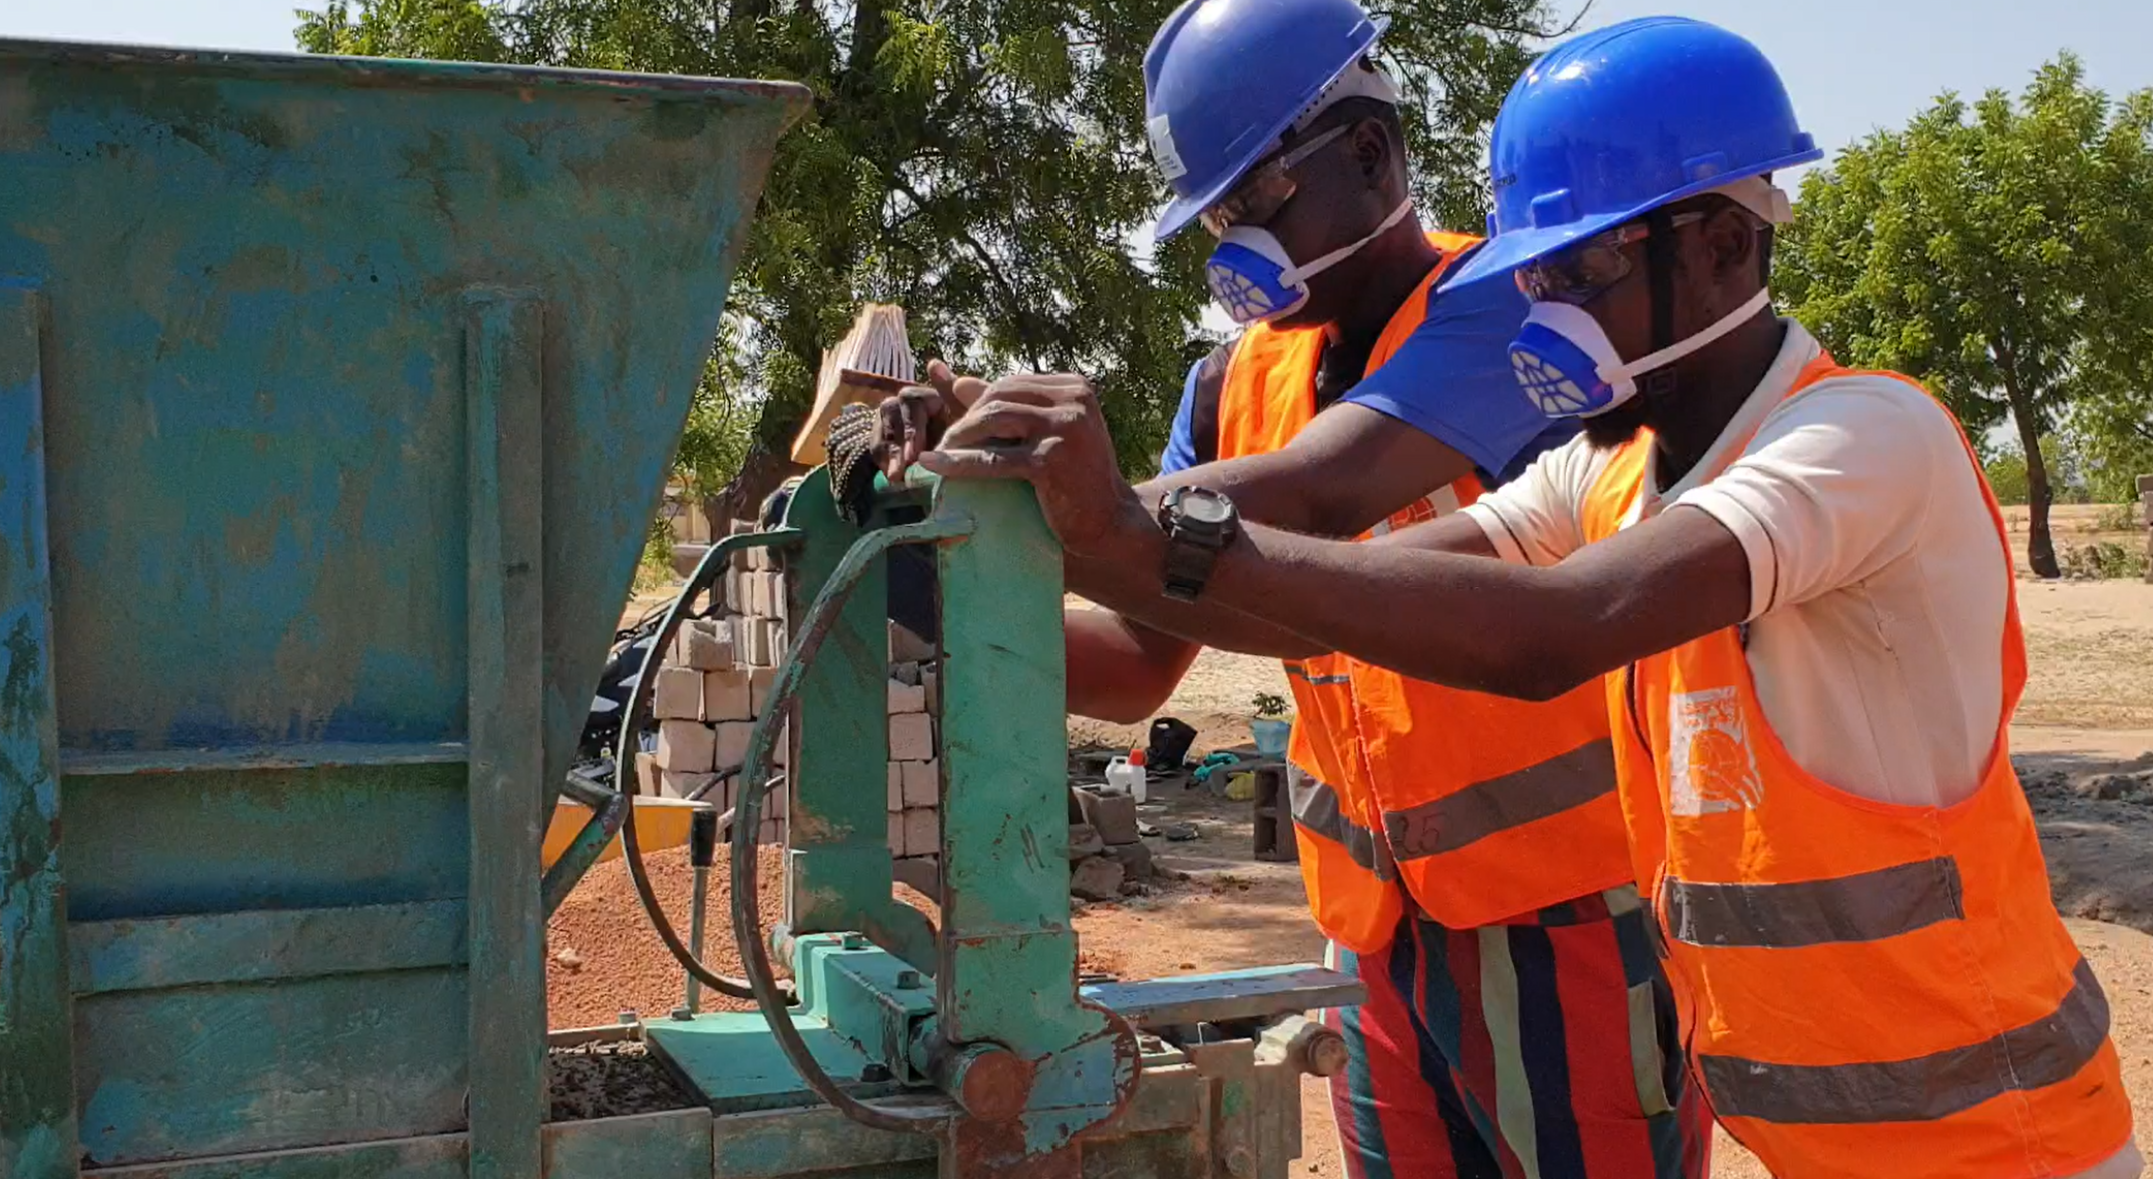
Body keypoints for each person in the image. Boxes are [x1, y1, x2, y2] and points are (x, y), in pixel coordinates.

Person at [914, 15, 2142, 1179]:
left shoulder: (1864, 440)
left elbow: (1558, 633)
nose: (1540, 316)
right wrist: (999, 544)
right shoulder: (1602, 472)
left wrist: (1133, 525)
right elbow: (1308, 600)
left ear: (1720, 244)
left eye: (1580, 273)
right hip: (1802, 1127)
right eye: (1536, 275)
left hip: (1997, 1134)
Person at [881, 1, 1713, 1175]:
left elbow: (1328, 488)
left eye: (1251, 199)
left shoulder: (1520, 320)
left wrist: (1048, 499)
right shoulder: (1231, 384)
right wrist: (929, 578)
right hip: (1372, 933)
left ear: (1370, 157)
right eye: (1214, 215)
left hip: (1566, 917)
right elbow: (1133, 662)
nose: (1231, 244)